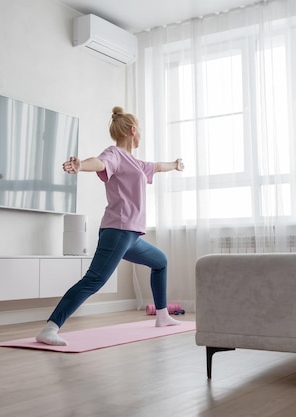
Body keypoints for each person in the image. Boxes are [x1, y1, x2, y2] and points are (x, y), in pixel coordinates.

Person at [35, 106, 185, 346]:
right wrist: (81, 165)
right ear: (133, 130)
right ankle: (50, 328)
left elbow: (157, 166)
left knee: (160, 262)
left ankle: (163, 315)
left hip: (132, 236)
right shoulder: (114, 153)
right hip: (118, 231)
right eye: (141, 131)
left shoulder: (136, 164)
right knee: (94, 280)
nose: (141, 136)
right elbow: (100, 162)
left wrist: (175, 164)